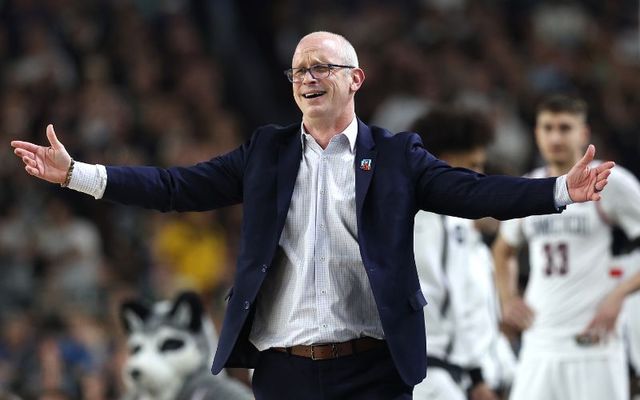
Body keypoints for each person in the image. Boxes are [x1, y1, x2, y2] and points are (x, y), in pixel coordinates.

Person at [12, 32, 614, 399]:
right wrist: (77, 175)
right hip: (284, 374)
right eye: (299, 69)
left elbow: (473, 192)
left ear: (355, 79)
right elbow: (176, 186)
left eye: (320, 66)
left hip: (374, 370)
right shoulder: (265, 152)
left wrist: (559, 189)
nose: (306, 77)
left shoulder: (397, 155)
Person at [492, 94, 640, 400]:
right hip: (539, 341)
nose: (555, 137)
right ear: (536, 133)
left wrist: (618, 296)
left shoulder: (609, 180)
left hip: (594, 344)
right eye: (547, 128)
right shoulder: (530, 187)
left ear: (583, 133)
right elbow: (503, 248)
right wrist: (508, 299)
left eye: (564, 127)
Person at [410, 108, 510, 400]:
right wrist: (478, 376)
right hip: (432, 375)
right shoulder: (430, 220)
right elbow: (451, 303)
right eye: (473, 165)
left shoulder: (463, 232)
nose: (480, 176)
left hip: (456, 375)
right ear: (445, 163)